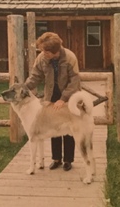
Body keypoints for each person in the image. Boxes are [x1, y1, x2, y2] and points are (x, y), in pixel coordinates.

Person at [25, 32, 81, 171]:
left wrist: (63, 99)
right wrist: (24, 88)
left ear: (55, 51)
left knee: (68, 129)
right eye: (42, 50)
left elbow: (74, 81)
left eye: (46, 51)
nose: (43, 53)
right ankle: (56, 159)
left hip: (68, 97)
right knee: (52, 127)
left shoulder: (70, 57)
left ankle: (68, 160)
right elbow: (35, 77)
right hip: (50, 96)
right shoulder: (41, 58)